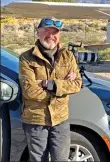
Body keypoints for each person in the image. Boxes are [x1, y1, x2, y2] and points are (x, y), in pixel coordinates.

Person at [19, 17, 82, 161]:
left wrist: (50, 84)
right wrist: (63, 87)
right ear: (38, 32)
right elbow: (30, 91)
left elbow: (77, 84)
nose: (50, 36)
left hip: (60, 119)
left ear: (59, 35)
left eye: (55, 32)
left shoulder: (68, 56)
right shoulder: (26, 58)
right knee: (38, 159)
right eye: (46, 31)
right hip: (36, 120)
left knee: (60, 159)